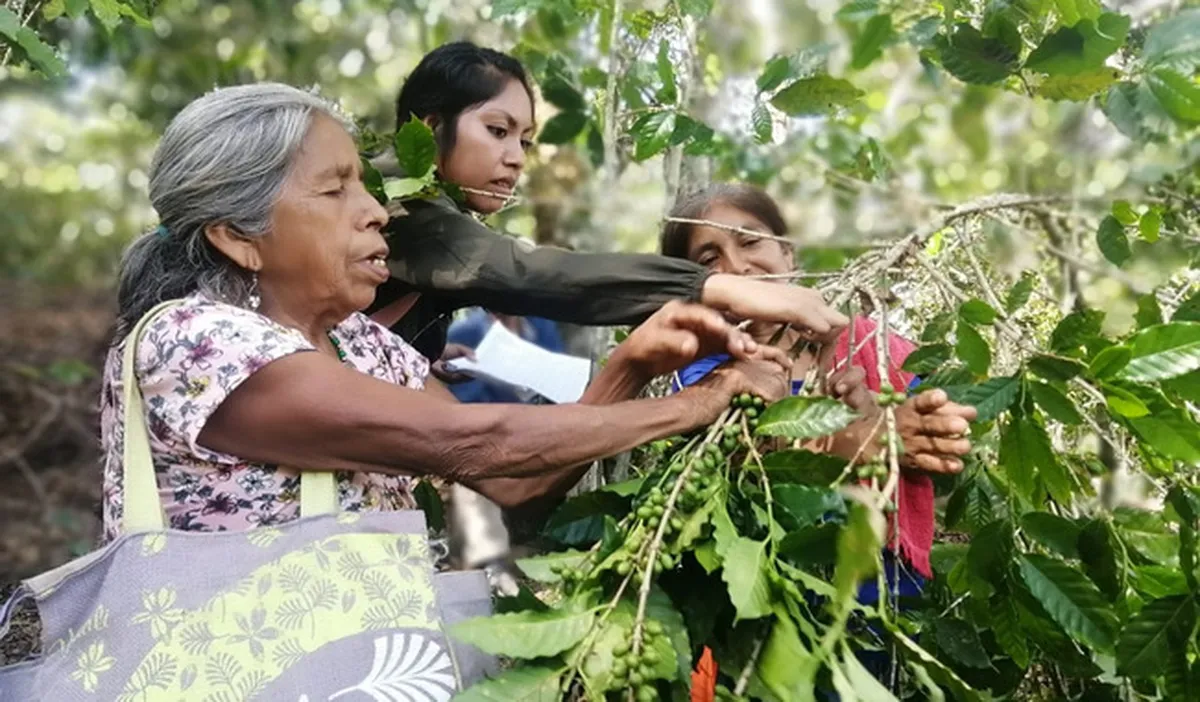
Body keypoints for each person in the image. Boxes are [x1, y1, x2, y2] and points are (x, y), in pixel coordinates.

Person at [99, 84, 793, 544]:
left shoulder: (364, 345)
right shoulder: (193, 342)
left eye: (366, 188)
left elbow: (513, 480)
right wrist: (701, 400)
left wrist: (632, 364)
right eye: (335, 191)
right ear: (235, 236)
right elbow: (475, 440)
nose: (374, 211)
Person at [660, 184, 977, 692]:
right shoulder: (701, 364)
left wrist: (918, 427)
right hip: (767, 586)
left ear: (788, 252)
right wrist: (845, 436)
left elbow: (935, 438)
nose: (736, 265)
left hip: (877, 584)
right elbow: (739, 452)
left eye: (750, 242)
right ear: (692, 286)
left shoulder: (872, 344)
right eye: (709, 258)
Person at [368, 41, 849, 362]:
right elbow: (527, 271)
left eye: (526, 141)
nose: (515, 159)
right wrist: (718, 288)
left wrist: (419, 356)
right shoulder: (394, 197)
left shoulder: (431, 209)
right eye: (498, 131)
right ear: (431, 127)